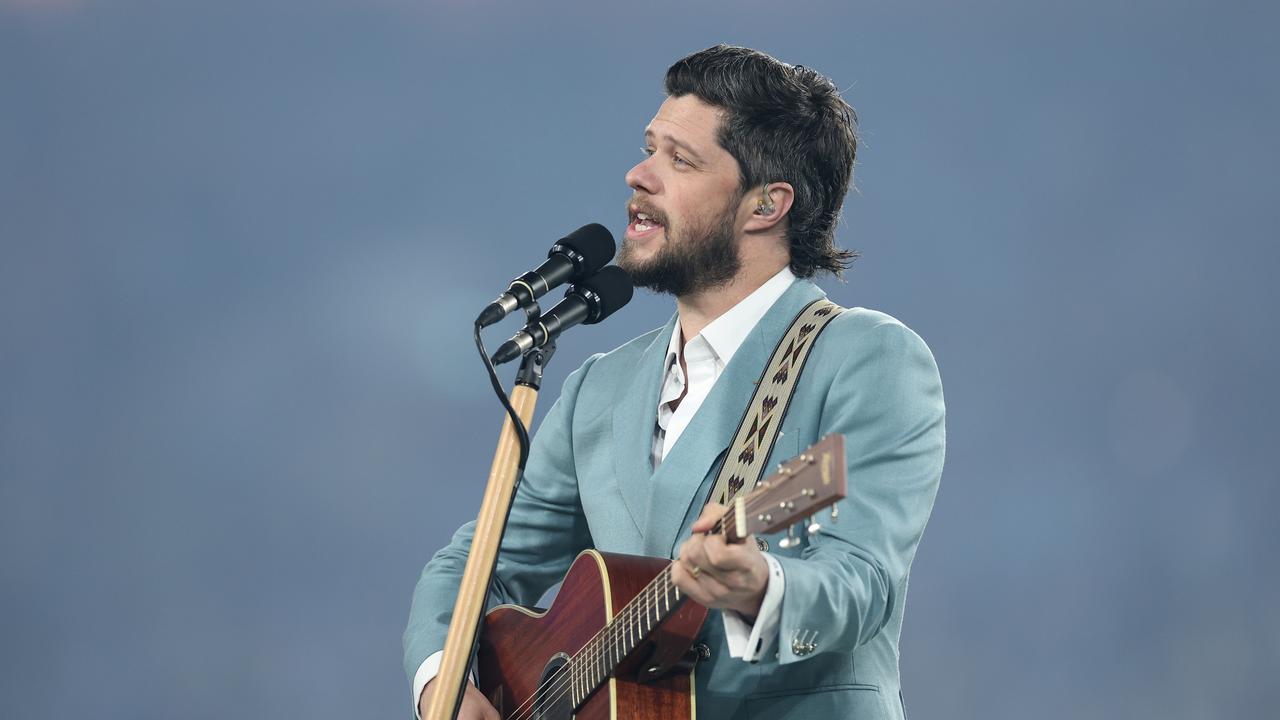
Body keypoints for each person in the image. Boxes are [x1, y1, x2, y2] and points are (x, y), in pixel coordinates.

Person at [404, 44, 945, 720]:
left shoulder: (868, 359)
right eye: (649, 148)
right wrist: (442, 680)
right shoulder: (598, 388)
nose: (638, 175)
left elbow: (862, 584)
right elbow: (475, 564)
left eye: (679, 160)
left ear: (766, 205)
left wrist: (759, 586)